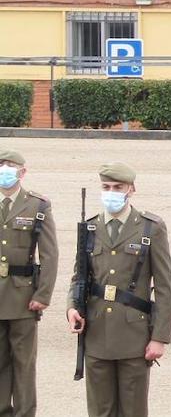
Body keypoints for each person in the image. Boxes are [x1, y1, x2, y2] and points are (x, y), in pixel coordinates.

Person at [66, 161, 171, 417]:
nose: (111, 192)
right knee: (100, 410)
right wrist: (72, 307)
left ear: (131, 189)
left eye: (118, 186)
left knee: (133, 410)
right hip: (96, 331)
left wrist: (159, 337)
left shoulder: (150, 227)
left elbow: (164, 286)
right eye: (106, 186)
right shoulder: (90, 227)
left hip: (133, 335)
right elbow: (77, 276)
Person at [0, 148, 57, 417]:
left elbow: (49, 254)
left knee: (23, 363)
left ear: (22, 172)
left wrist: (43, 294)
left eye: (10, 166)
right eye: (1, 165)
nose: (5, 170)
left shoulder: (37, 205)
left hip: (23, 296)